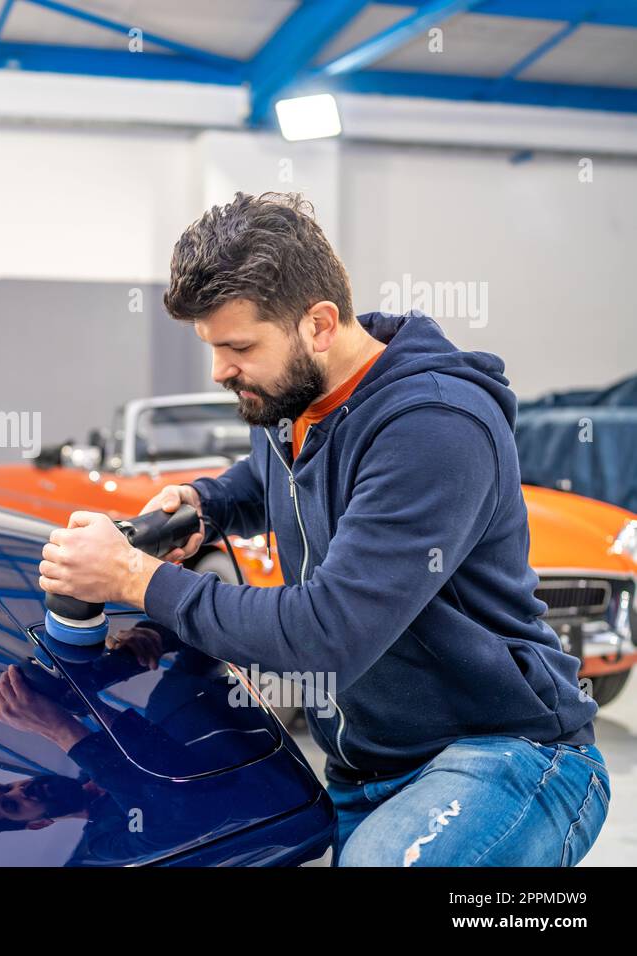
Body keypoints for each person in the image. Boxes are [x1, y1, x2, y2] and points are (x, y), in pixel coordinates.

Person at [37, 192, 610, 866]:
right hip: (363, 770)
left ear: (319, 323)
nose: (221, 369)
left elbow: (327, 635)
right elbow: (267, 477)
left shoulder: (433, 425)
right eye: (213, 348)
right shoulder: (296, 403)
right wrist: (209, 502)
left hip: (505, 756)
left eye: (239, 346)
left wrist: (137, 577)